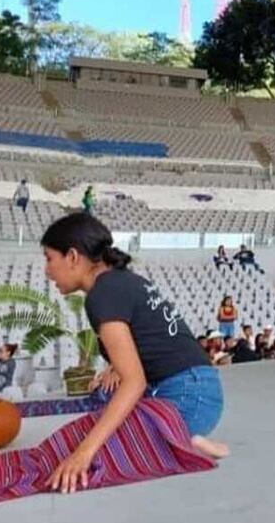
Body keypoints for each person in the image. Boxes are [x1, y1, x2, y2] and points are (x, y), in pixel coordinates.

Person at [39, 212, 227, 494]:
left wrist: (83, 454)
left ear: (73, 256)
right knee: (102, 399)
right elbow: (150, 337)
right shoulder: (119, 281)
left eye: (49, 258)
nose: (47, 270)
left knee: (98, 455)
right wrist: (114, 368)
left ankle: (180, 443)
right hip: (198, 390)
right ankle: (178, 438)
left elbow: (135, 381)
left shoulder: (102, 295)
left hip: (189, 397)